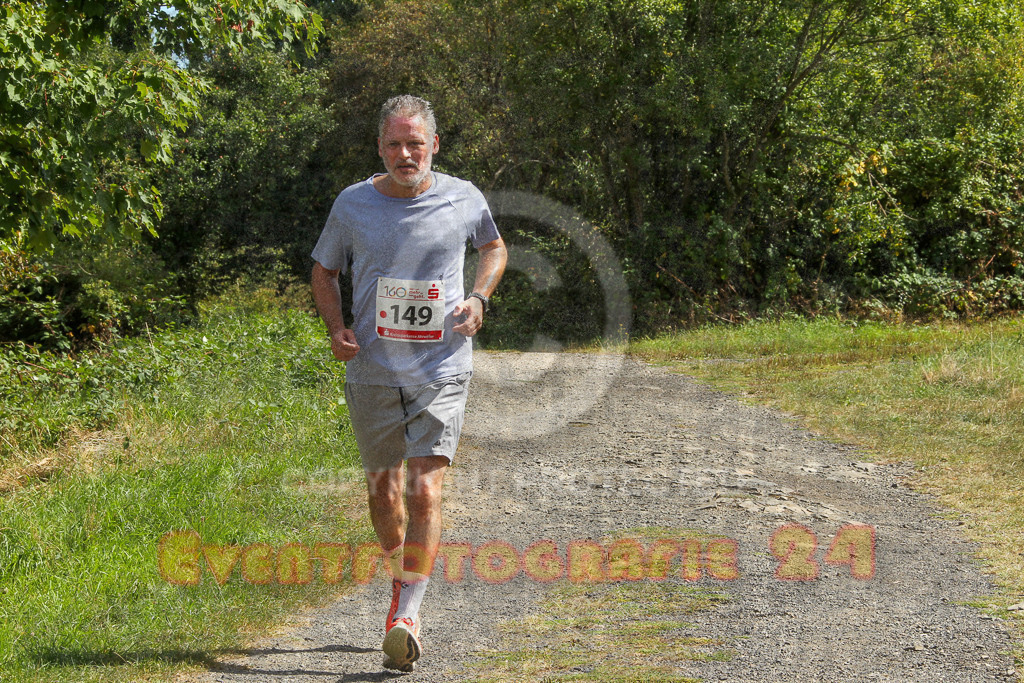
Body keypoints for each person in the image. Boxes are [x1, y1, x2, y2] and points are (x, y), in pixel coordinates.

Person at [310, 95, 507, 672]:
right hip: (371, 368)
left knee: (424, 490)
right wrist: (337, 327)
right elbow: (325, 270)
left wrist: (478, 297)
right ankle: (402, 582)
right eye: (394, 144)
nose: (404, 154)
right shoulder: (352, 205)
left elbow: (493, 246)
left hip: (442, 367)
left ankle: (406, 611)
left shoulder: (464, 196)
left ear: (434, 146)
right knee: (383, 492)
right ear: (379, 147)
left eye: (414, 144)